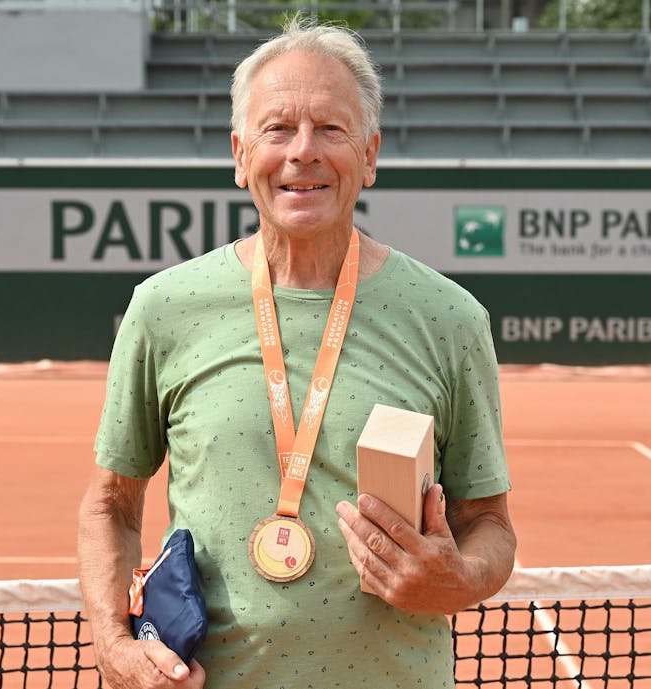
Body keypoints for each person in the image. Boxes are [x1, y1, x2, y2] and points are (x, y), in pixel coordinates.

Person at [78, 15, 515, 689]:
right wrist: (113, 643)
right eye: (277, 128)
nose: (302, 151)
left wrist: (459, 578)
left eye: (330, 129)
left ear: (369, 154)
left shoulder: (450, 317)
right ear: (239, 152)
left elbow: (489, 523)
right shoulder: (164, 307)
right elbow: (111, 502)